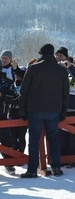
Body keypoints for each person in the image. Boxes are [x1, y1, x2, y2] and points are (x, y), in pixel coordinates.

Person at [19, 44, 69, 178]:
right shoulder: (61, 70)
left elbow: (24, 91)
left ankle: (32, 169)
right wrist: (63, 113)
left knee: (34, 140)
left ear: (41, 54)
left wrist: (22, 110)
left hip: (35, 109)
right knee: (53, 139)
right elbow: (65, 94)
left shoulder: (33, 68)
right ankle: (56, 167)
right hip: (54, 110)